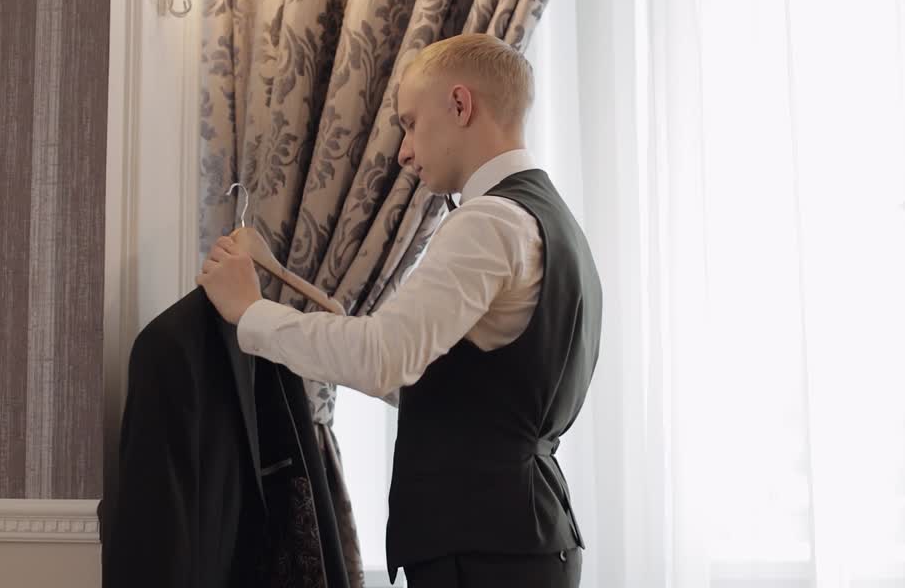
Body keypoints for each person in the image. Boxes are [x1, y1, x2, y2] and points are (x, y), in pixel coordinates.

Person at [197, 33, 602, 588]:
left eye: (410, 124)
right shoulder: (551, 219)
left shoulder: (489, 222)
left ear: (460, 104)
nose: (403, 153)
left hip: (484, 548)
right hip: (521, 539)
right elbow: (474, 389)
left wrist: (249, 312)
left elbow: (385, 359)